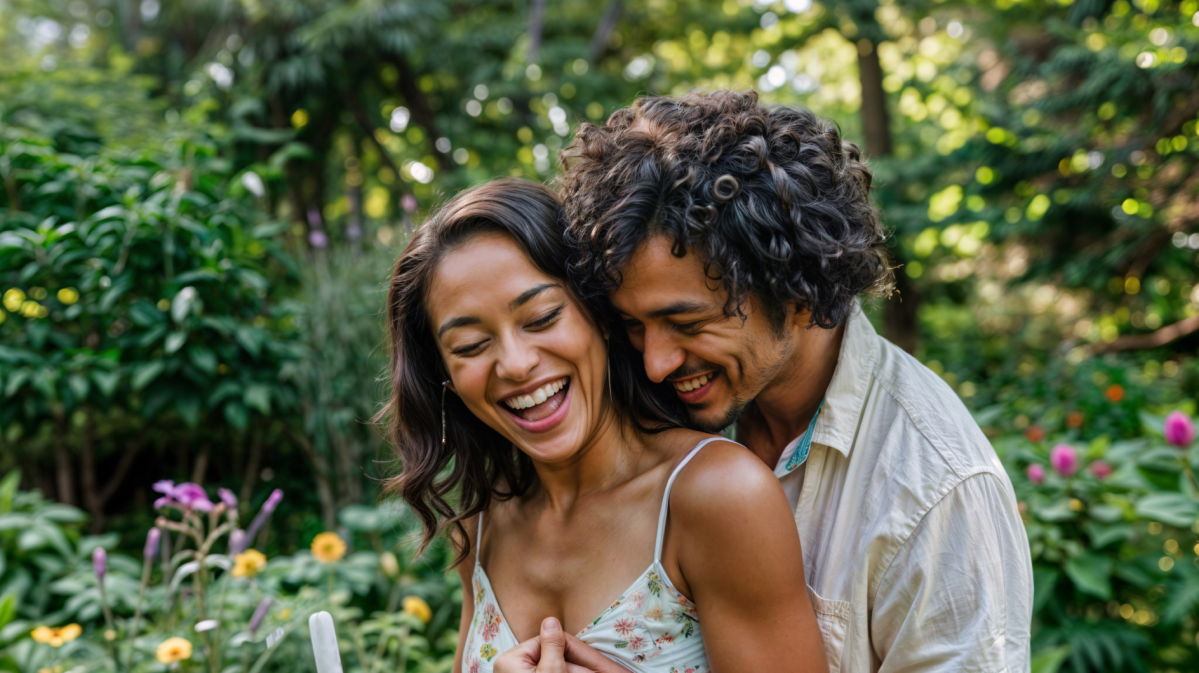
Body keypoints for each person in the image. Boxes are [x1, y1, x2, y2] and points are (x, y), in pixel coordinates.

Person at [558, 90, 1034, 672]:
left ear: (798, 291)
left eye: (688, 323)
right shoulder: (648, 403)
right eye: (634, 325)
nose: (655, 363)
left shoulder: (935, 493)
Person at [378, 178, 828, 673]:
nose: (515, 364)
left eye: (542, 317)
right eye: (469, 346)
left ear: (600, 315)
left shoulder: (716, 496)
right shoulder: (482, 525)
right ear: (444, 374)